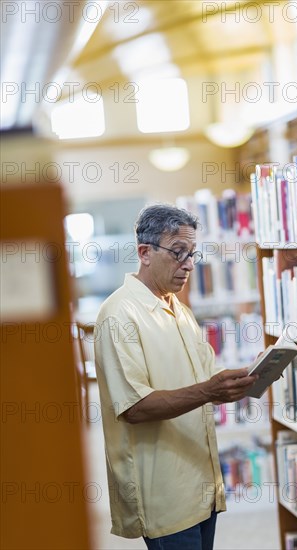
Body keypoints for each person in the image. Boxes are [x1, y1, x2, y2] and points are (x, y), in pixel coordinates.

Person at [94, 204, 259, 550]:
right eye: (177, 252)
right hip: (165, 493)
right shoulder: (118, 315)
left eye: (192, 254)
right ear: (145, 253)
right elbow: (134, 407)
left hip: (202, 481)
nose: (187, 264)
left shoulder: (179, 309)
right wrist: (208, 390)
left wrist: (245, 375)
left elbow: (204, 376)